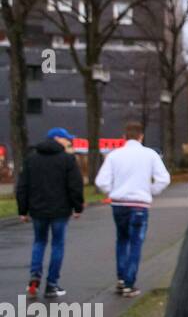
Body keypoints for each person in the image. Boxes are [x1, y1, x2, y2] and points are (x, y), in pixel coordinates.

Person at [94, 122, 170, 298]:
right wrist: (150, 191)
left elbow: (101, 182)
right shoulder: (150, 155)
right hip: (139, 204)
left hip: (119, 203)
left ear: (124, 137)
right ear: (141, 136)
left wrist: (113, 191)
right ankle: (129, 283)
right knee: (136, 243)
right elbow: (163, 179)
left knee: (122, 240)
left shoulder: (114, 156)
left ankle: (121, 278)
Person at [16, 127, 85, 299]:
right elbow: (75, 186)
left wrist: (23, 210)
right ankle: (52, 284)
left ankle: (34, 276)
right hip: (60, 211)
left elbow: (22, 187)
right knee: (57, 245)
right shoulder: (67, 160)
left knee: (39, 242)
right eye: (66, 139)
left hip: (38, 210)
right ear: (56, 139)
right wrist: (77, 208)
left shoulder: (31, 159)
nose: (68, 142)